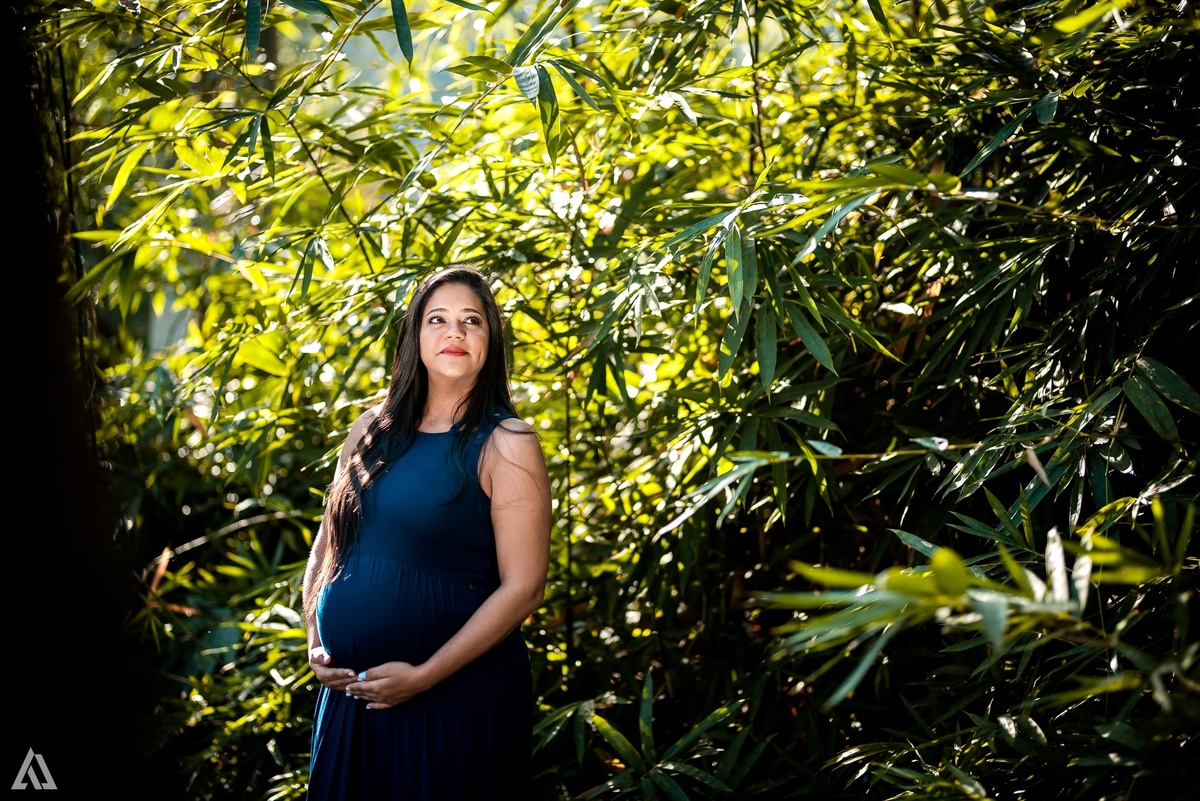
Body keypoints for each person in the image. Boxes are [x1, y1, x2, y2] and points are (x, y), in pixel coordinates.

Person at [301, 265, 552, 800]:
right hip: (352, 697)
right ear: (415, 335)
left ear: (491, 341)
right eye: (438, 319)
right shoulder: (370, 430)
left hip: (454, 697)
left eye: (472, 321)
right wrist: (316, 641)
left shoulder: (508, 442)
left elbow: (524, 587)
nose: (454, 332)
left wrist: (425, 675)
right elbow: (328, 543)